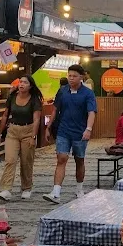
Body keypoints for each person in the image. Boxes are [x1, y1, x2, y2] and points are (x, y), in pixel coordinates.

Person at [44, 64, 98, 204]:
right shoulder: (62, 91)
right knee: (61, 158)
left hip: (80, 132)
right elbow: (55, 110)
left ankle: (79, 188)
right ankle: (56, 192)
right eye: (69, 76)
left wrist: (88, 129)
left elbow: (91, 112)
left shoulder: (88, 93)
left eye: (74, 76)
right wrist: (48, 127)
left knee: (79, 160)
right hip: (63, 130)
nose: (71, 79)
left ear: (81, 77)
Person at [0, 75, 43, 201]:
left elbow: (37, 119)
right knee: (10, 159)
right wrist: (0, 133)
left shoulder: (34, 100)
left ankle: (26, 188)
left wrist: (33, 136)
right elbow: (5, 115)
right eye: (20, 82)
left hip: (28, 130)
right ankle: (6, 189)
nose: (22, 84)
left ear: (30, 86)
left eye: (25, 83)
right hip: (13, 131)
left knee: (26, 162)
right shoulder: (12, 97)